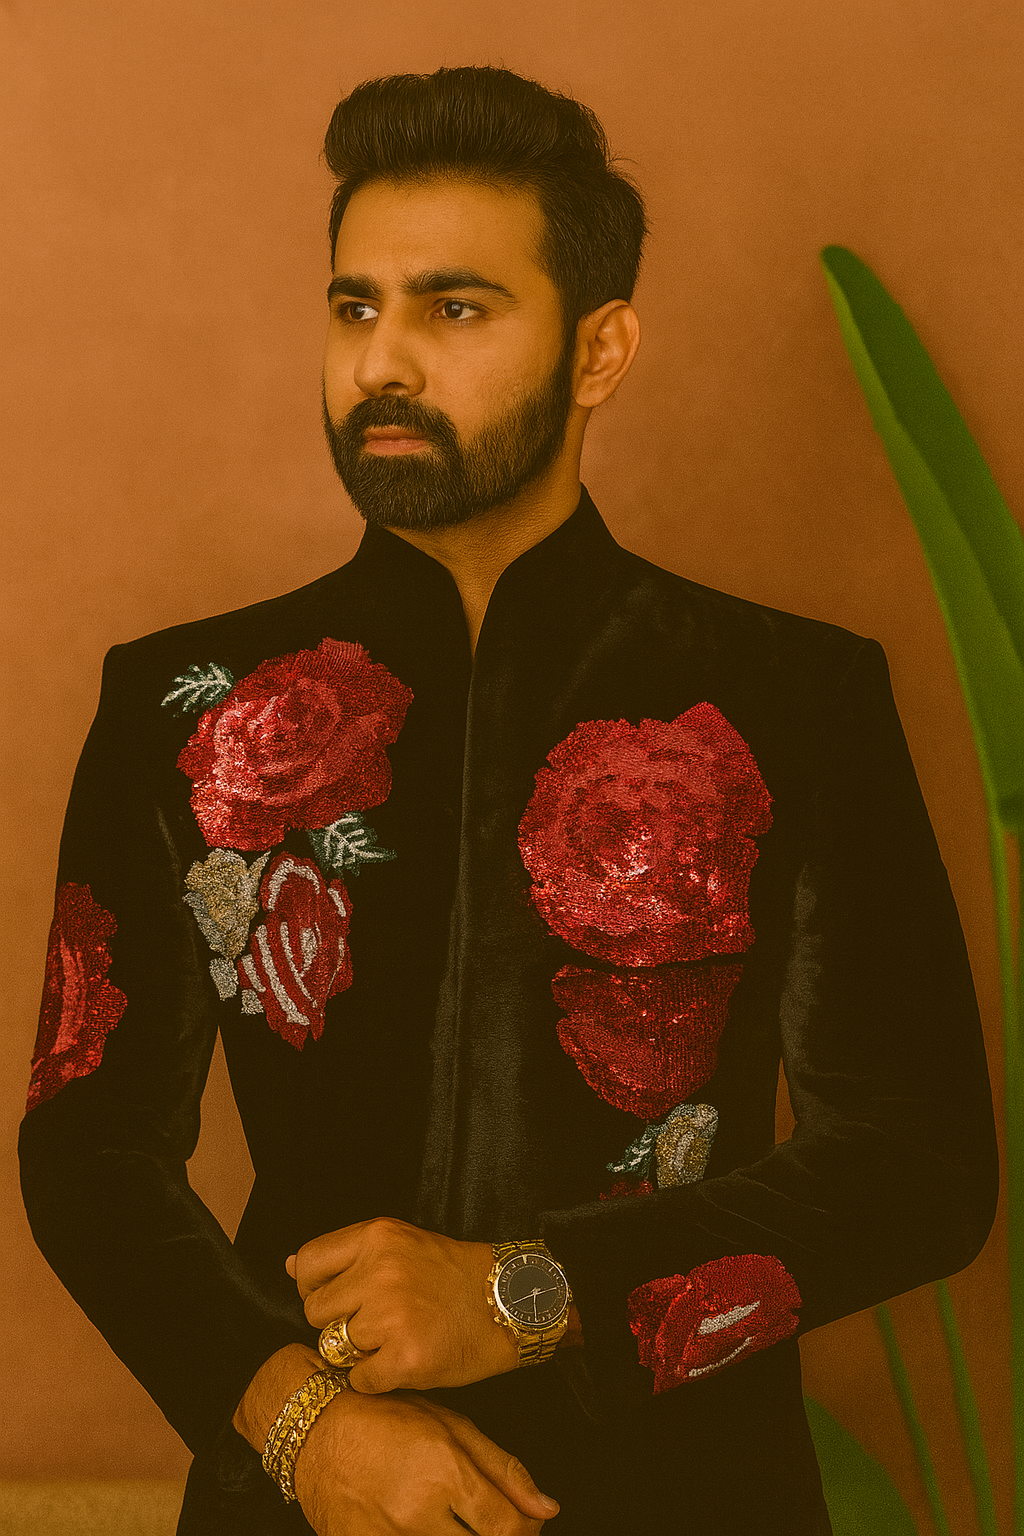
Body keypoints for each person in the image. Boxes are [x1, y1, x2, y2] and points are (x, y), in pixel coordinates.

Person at [20, 64, 997, 1536]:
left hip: (693, 1492)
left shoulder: (797, 697)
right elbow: (87, 1155)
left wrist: (525, 1297)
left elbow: (925, 1168)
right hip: (301, 1491)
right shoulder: (189, 703)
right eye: (356, 308)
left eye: (454, 309)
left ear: (601, 349)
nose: (383, 364)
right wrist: (305, 1427)